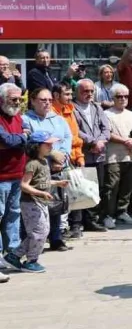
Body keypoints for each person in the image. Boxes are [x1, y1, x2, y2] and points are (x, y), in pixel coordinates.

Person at [4, 132, 67, 273]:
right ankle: (31, 261)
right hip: (31, 203)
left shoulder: (44, 161)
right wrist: (41, 193)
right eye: (47, 144)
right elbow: (24, 185)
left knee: (42, 232)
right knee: (39, 232)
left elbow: (42, 181)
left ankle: (14, 256)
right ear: (37, 146)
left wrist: (57, 182)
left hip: (40, 202)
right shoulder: (32, 164)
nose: (51, 146)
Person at [23, 86, 74, 251]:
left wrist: (63, 156)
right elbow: (31, 140)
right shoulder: (26, 119)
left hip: (58, 166)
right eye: (43, 100)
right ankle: (30, 241)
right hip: (37, 167)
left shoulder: (58, 119)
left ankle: (56, 238)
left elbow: (67, 137)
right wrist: (52, 155)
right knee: (36, 205)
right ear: (32, 101)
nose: (47, 103)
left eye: (50, 100)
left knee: (56, 203)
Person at [72, 79, 109, 233]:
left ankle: (91, 220)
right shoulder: (72, 108)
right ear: (77, 92)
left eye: (91, 91)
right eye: (84, 91)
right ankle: (77, 223)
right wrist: (93, 142)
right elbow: (75, 130)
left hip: (98, 155)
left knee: (95, 187)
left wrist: (101, 141)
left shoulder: (96, 107)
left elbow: (106, 127)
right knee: (80, 189)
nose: (88, 94)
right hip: (83, 155)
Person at [102, 85, 132, 229]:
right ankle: (108, 215)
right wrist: (125, 140)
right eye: (119, 96)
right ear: (113, 98)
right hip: (112, 156)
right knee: (111, 186)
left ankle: (122, 212)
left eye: (125, 96)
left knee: (127, 186)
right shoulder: (106, 114)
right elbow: (107, 133)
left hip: (130, 156)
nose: (123, 99)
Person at [49, 83, 84, 238]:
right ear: (56, 95)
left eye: (71, 94)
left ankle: (71, 227)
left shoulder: (69, 110)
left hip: (69, 158)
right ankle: (58, 231)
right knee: (57, 197)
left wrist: (79, 156)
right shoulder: (50, 114)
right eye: (67, 94)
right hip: (54, 161)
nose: (70, 98)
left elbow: (74, 138)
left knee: (70, 195)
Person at [0, 84, 26, 272]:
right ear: (2, 99)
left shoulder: (17, 116)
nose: (17, 103)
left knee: (14, 214)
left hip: (17, 173)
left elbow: (24, 139)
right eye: (13, 99)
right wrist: (22, 138)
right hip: (1, 176)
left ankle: (13, 254)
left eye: (19, 99)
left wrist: (19, 139)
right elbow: (6, 141)